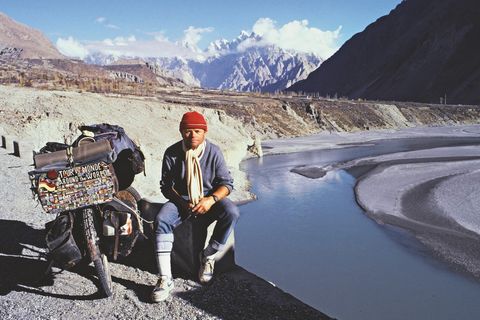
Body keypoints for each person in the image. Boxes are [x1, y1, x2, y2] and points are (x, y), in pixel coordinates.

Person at [151, 111, 240, 303]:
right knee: (161, 220)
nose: (193, 136)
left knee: (232, 212)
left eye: (197, 131)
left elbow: (227, 184)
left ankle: (207, 256)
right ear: (181, 132)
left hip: (209, 198)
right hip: (181, 200)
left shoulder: (214, 152)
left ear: (204, 133)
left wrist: (210, 200)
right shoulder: (172, 153)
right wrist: (183, 203)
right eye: (188, 131)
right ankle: (165, 278)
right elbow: (166, 187)